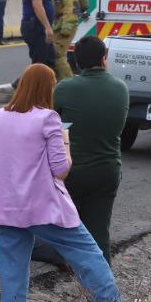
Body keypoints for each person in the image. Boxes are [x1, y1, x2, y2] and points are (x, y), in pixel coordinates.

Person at [0, 64, 121, 302]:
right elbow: (61, 170)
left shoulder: (0, 116)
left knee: (13, 277)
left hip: (7, 208)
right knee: (89, 255)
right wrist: (65, 140)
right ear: (47, 88)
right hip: (44, 206)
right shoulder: (49, 119)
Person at [54, 36, 129, 262]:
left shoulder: (64, 88)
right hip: (108, 170)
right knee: (99, 232)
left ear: (76, 61)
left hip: (72, 172)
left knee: (60, 229)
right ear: (104, 59)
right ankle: (103, 289)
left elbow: (56, 126)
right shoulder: (120, 88)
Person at [48, 0, 81, 80]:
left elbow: (72, 4)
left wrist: (66, 28)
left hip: (66, 23)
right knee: (54, 55)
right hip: (60, 23)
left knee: (58, 56)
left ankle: (68, 85)